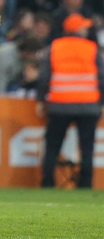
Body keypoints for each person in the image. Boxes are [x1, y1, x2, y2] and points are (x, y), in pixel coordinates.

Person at [37, 14, 104, 189]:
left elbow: (44, 77)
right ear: (77, 29)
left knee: (52, 146)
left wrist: (40, 100)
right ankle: (85, 184)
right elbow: (102, 78)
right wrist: (102, 102)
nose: (86, 29)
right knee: (87, 148)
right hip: (88, 106)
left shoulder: (55, 47)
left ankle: (47, 182)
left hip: (60, 104)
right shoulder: (92, 48)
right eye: (83, 27)